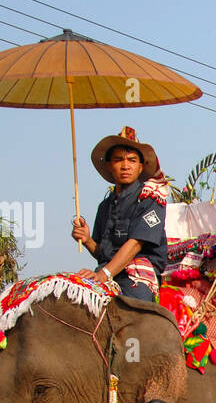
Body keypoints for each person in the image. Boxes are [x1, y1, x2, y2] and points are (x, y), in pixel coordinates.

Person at [71, 126, 168, 302]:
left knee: (135, 310)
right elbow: (104, 253)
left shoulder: (151, 199)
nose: (125, 166)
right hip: (107, 271)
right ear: (109, 166)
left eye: (132, 160)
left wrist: (103, 274)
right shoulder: (105, 206)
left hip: (138, 275)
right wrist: (88, 241)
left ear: (140, 167)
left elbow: (135, 244)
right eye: (118, 160)